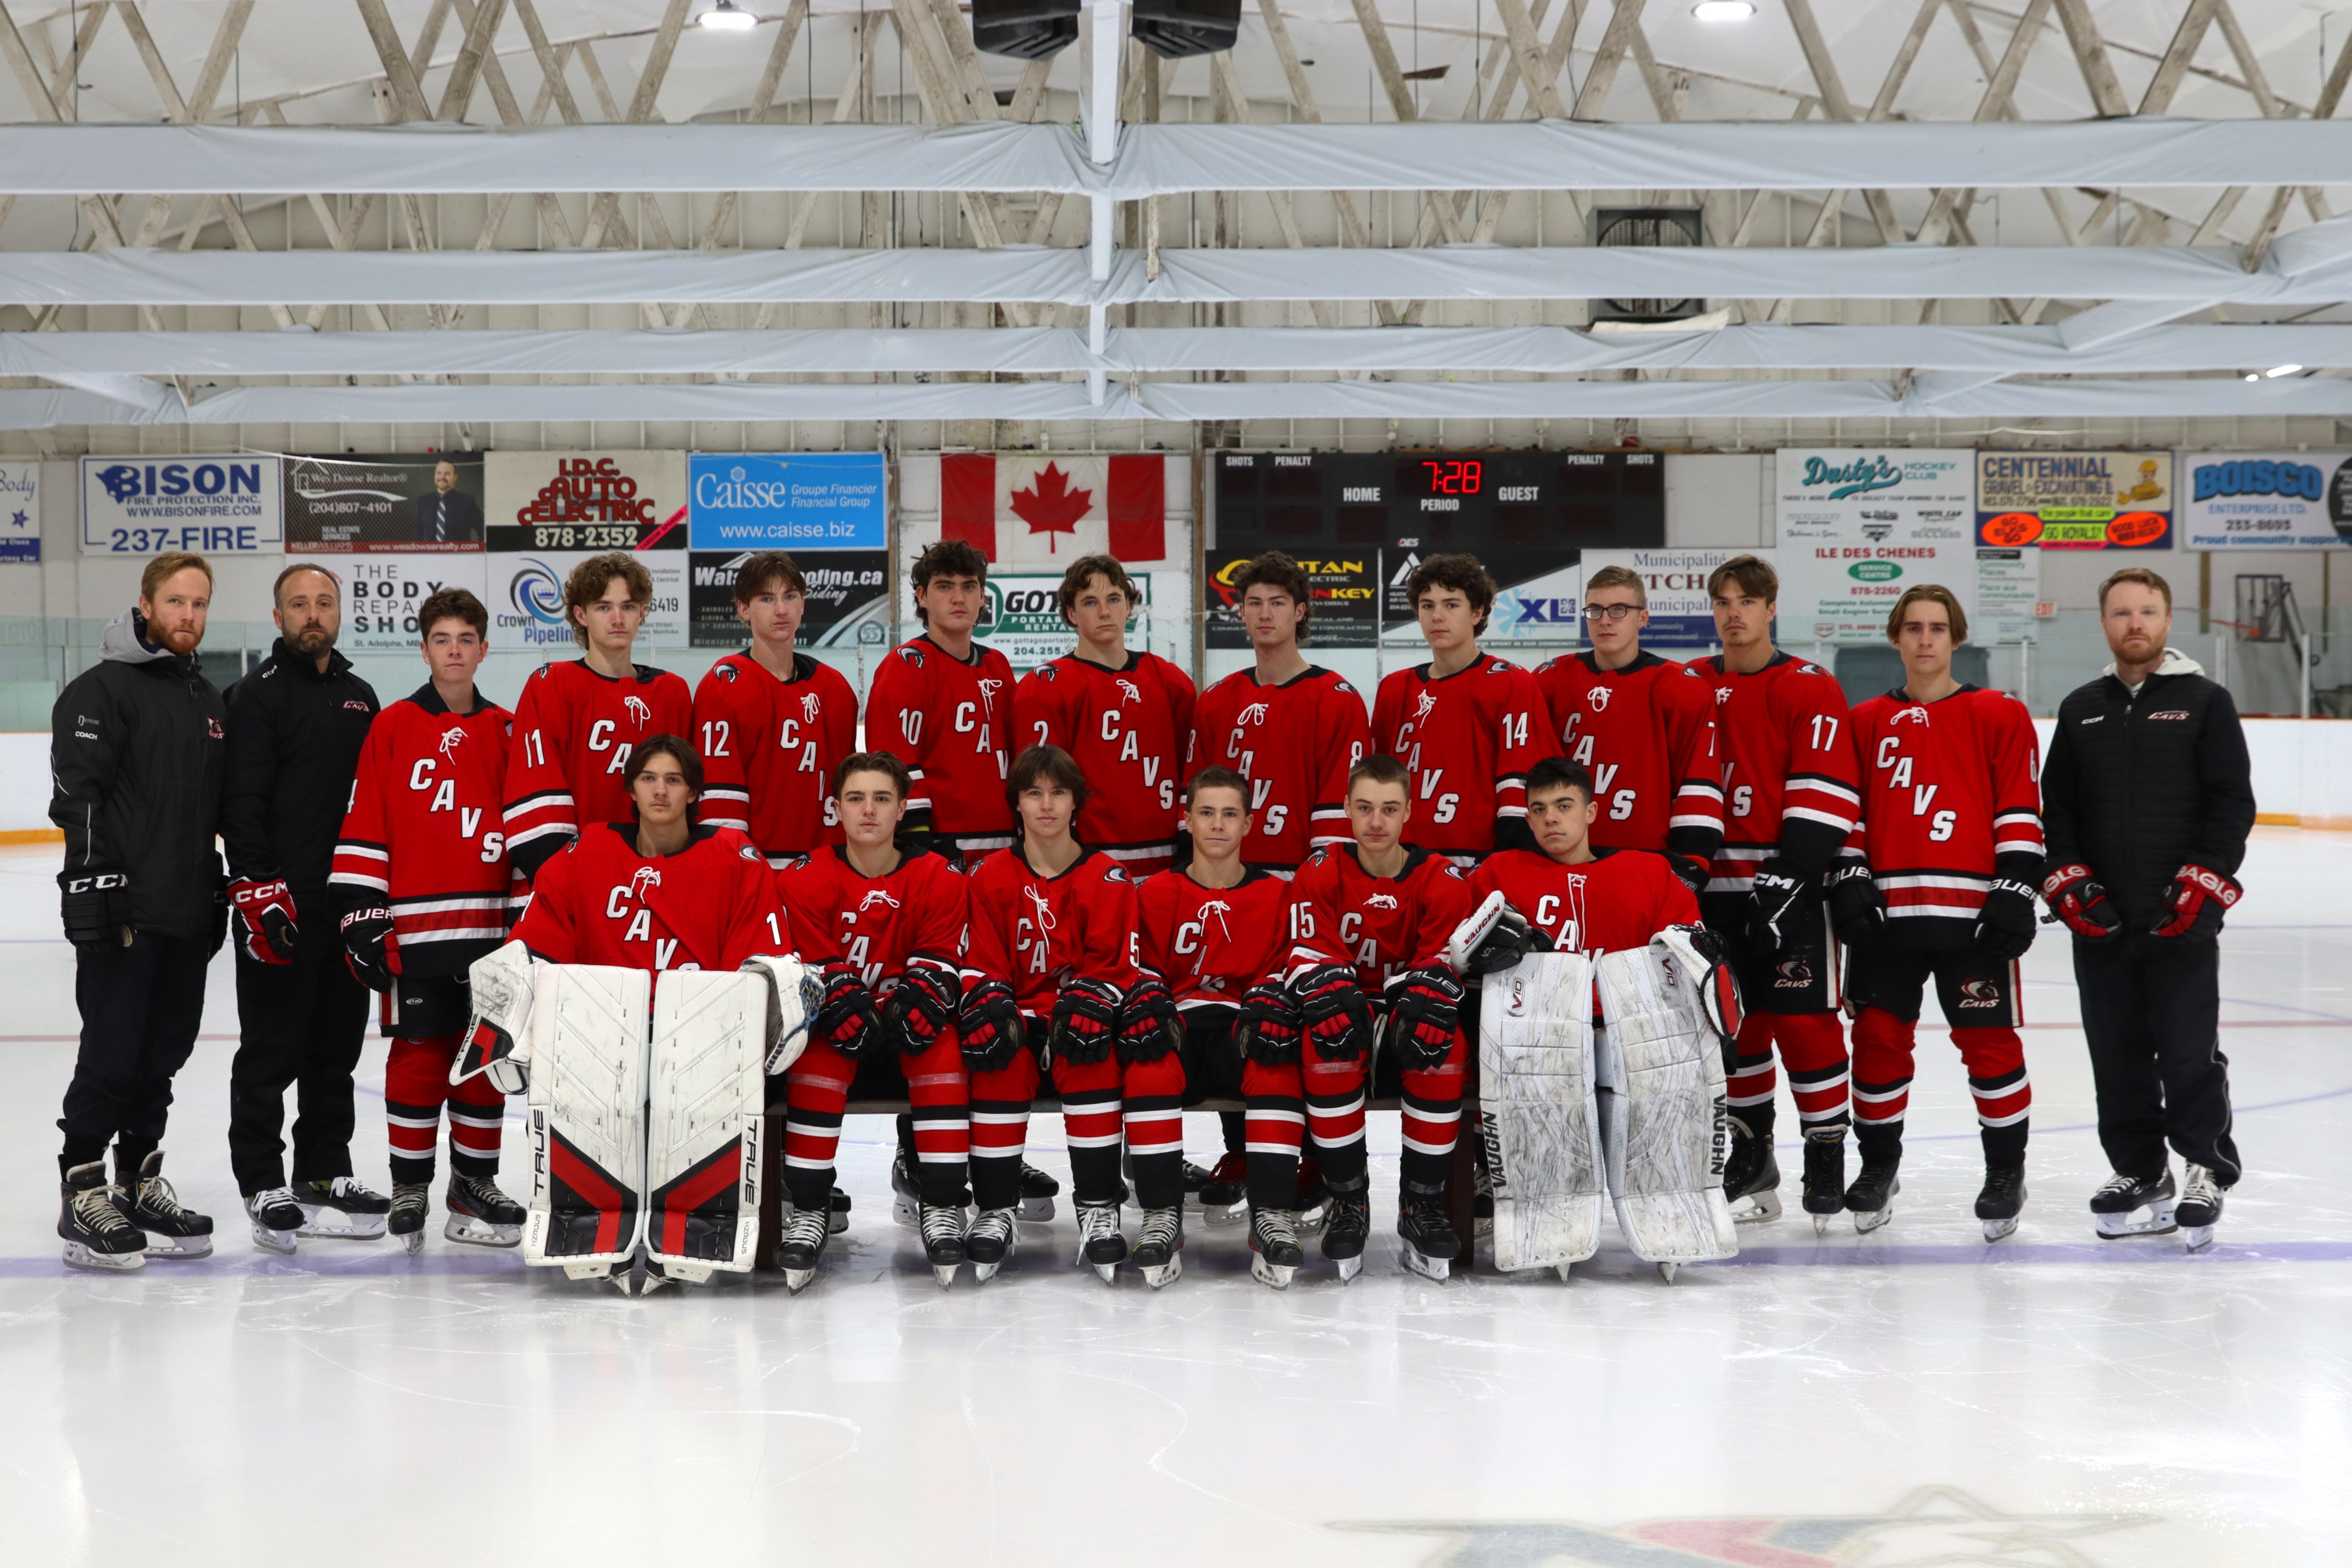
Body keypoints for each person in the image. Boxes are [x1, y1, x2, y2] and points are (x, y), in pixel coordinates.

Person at [479, 734, 796, 1289]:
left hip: (697, 1033)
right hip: (604, 1031)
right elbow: (537, 945)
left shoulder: (734, 856)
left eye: (674, 780)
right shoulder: (588, 853)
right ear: (631, 788)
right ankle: (588, 1220)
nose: (661, 791)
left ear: (694, 792)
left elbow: (760, 958)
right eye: (649, 778)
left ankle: (695, 1224)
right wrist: (513, 1024)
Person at [2042, 566, 2254, 1249]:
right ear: (2104, 622)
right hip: (2102, 920)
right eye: (2121, 612)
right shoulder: (2080, 708)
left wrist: (2204, 886)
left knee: (2189, 1055)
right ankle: (2140, 1169)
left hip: (2179, 917)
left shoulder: (2205, 702)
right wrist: (2070, 883)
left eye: (2147, 611)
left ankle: (2205, 1166)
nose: (2135, 623)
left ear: (2167, 619)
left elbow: (2231, 803)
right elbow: (2058, 812)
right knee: (2117, 1055)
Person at [1832, 586, 2043, 1240]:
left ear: (1957, 638)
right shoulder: (1863, 721)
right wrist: (1851, 876)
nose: (1926, 639)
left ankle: (2005, 1172)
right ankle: (1879, 1165)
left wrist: (2016, 889)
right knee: (1876, 1042)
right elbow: (1847, 811)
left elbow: (2020, 806)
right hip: (1888, 917)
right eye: (1914, 628)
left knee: (1989, 1043)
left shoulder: (1999, 714)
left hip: (1970, 915)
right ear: (1896, 637)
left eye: (1938, 628)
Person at [328, 587, 525, 1255]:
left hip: (489, 933)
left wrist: (524, 926)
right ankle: (410, 1186)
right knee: (418, 1057)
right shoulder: (394, 726)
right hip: (414, 932)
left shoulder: (507, 730)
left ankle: (474, 1184)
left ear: (484, 648)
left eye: (466, 640)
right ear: (424, 649)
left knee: (483, 1059)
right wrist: (364, 915)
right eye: (443, 640)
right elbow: (368, 818)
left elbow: (524, 833)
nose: (455, 652)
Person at [49, 552, 228, 1272]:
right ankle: (83, 1190)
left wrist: (218, 888)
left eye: (199, 604)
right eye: (176, 602)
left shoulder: (206, 699)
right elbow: (80, 797)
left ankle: (139, 1181)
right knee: (112, 1053)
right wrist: (91, 886)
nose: (188, 615)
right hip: (125, 909)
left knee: (163, 1056)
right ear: (146, 605)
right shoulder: (100, 690)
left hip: (187, 910)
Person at [1183, 550, 1369, 1208]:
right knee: (1235, 1014)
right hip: (1231, 884)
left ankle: (1314, 1158)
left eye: (1278, 603)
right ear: (1240, 613)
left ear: (1301, 612)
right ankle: (1241, 1149)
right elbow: (1201, 800)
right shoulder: (1218, 699)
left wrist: (1311, 894)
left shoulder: (1336, 697)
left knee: (1299, 1017)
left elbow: (1337, 818)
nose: (1265, 614)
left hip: (1298, 888)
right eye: (1254, 603)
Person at [962, 745, 1186, 1286]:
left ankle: (1097, 1205)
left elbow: (1113, 970)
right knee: (996, 1055)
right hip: (1021, 1021)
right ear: (1017, 803)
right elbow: (982, 966)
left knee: (1091, 1048)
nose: (1046, 805)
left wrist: (1087, 1006)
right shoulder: (988, 875)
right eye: (1034, 793)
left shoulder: (1108, 876)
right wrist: (993, 1005)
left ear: (1075, 803)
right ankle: (996, 1207)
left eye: (1058, 793)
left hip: (1079, 1027)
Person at [222, 563, 387, 1254]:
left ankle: (323, 1170)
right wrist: (258, 889)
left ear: (339, 613)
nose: (313, 614)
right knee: (271, 1050)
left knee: (335, 1049)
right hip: (282, 908)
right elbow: (241, 802)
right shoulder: (253, 696)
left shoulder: (359, 696)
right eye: (299, 604)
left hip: (344, 905)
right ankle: (263, 1181)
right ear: (278, 616)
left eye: (324, 603)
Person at [1699, 554, 1863, 1229]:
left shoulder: (1807, 685)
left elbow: (1828, 787)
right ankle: (1753, 1155)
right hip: (1712, 889)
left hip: (1789, 888)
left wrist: (1792, 871)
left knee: (1804, 1023)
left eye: (1746, 601)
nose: (1733, 613)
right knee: (1733, 1026)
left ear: (1771, 609)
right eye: (1723, 602)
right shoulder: (1691, 683)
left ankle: (1825, 1154)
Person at [774, 753, 974, 1290]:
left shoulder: (937, 874)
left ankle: (942, 1204)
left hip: (907, 1032)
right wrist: (840, 994)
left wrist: (924, 993)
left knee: (942, 1046)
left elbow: (941, 957)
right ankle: (810, 1209)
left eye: (882, 799)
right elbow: (808, 967)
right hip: (840, 1035)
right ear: (836, 808)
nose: (869, 810)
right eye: (856, 799)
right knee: (817, 1054)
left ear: (903, 809)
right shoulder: (806, 876)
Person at [1284, 754, 1481, 1279]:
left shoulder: (1443, 879)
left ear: (1409, 811)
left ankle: (1421, 1203)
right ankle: (1349, 1201)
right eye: (1366, 807)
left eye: (1390, 809)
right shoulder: (1320, 870)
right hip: (1350, 1010)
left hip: (1402, 1013)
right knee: (1326, 1037)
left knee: (1442, 1043)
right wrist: (1335, 994)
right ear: (1347, 808)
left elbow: (1437, 971)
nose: (1377, 822)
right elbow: (1312, 959)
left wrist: (1416, 999)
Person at [1135, 766, 1305, 1287]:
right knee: (1147, 1062)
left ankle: (1271, 1211)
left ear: (1249, 823)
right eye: (1206, 813)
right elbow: (1142, 973)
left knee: (1276, 1058)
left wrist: (1272, 1010)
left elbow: (1286, 972)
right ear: (1186, 820)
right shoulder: (1154, 892)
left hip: (1240, 1028)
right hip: (1182, 1027)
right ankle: (1161, 1212)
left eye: (1230, 814)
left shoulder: (1278, 895)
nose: (1217, 824)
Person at [1532, 563, 1722, 891]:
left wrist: (1690, 864)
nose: (1605, 620)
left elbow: (1697, 786)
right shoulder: (1549, 680)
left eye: (1619, 610)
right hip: (1561, 862)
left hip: (1646, 864)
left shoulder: (1680, 688)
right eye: (1595, 610)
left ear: (1643, 618)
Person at [503, 553, 693, 879]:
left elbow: (685, 795)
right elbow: (536, 795)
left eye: (628, 606)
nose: (618, 619)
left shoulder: (672, 692)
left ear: (642, 613)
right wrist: (567, 879)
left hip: (655, 874)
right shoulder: (552, 685)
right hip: (576, 875)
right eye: (604, 607)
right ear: (581, 615)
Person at [1016, 554, 1196, 879]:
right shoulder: (1045, 686)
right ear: (1071, 613)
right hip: (1085, 859)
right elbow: (1040, 786)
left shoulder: (1171, 682)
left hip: (1168, 858)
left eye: (1114, 599)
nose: (1104, 612)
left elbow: (1192, 772)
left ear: (1128, 606)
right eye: (1090, 602)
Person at [1371, 552, 1556, 867]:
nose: (1437, 616)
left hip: (1476, 864)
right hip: (1402, 864)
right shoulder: (1394, 688)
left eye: (1451, 605)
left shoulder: (1511, 683)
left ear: (1477, 613)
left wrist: (1505, 868)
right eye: (1427, 606)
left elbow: (1522, 788)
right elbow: (1378, 782)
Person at [692, 550, 859, 866]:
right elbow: (720, 799)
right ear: (744, 609)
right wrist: (735, 871)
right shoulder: (723, 685)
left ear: (803, 604)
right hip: (757, 868)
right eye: (767, 599)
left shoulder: (836, 689)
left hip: (828, 865)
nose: (781, 610)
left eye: (790, 596)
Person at [867, 539, 1018, 867]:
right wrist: (919, 842)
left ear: (983, 596)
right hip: (940, 843)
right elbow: (893, 763)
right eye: (945, 586)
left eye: (969, 587)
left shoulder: (999, 666)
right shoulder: (906, 666)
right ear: (922, 596)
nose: (959, 598)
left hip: (1007, 843)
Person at [1469, 757, 1702, 960]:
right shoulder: (1497, 873)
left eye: (1564, 806)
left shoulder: (1653, 874)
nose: (1550, 818)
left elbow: (1690, 958)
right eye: (1539, 810)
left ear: (1590, 813)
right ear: (1530, 821)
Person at [415, 459, 482, 544]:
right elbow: (418, 534)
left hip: (457, 552)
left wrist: (474, 550)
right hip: (431, 552)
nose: (442, 477)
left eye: (447, 474)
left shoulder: (467, 502)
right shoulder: (424, 501)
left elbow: (483, 530)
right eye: (439, 473)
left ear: (455, 477)